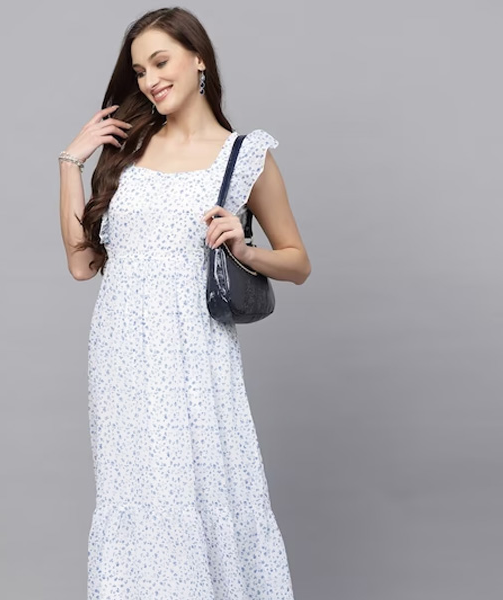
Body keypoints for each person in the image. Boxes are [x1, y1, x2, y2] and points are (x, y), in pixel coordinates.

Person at [59, 6, 311, 599]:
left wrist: (244, 249)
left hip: (196, 353)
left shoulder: (244, 155)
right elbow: (80, 264)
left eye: (160, 62)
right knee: (136, 498)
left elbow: (298, 262)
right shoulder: (127, 150)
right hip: (122, 358)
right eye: (139, 71)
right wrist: (71, 163)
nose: (150, 80)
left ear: (199, 59)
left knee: (203, 494)